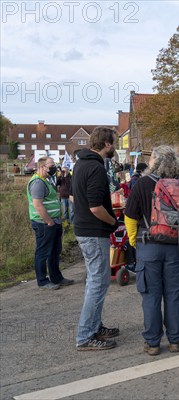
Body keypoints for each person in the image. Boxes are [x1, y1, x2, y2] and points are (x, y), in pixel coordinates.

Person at [124, 146, 179, 356]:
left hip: (148, 247)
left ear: (155, 162)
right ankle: (176, 340)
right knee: (174, 294)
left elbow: (130, 216)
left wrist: (134, 241)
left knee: (150, 296)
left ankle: (153, 343)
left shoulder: (142, 184)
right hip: (175, 248)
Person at [72, 126, 121, 351]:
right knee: (97, 283)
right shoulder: (95, 167)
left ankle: (94, 326)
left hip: (86, 230)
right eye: (115, 141)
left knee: (97, 282)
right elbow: (95, 207)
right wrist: (113, 221)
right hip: (93, 231)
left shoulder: (82, 163)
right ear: (107, 144)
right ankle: (85, 336)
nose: (117, 145)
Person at [27, 156, 73, 290]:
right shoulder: (37, 183)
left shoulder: (46, 181)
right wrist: (49, 222)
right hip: (44, 224)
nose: (54, 167)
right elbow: (37, 204)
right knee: (43, 252)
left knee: (54, 251)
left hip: (54, 222)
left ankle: (56, 277)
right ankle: (42, 281)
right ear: (42, 167)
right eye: (51, 165)